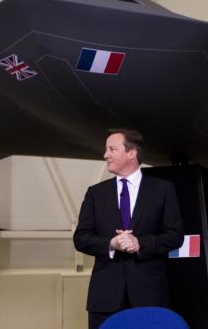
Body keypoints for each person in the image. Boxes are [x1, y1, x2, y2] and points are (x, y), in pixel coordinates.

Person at [73, 129, 184, 329]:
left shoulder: (163, 190)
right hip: (105, 299)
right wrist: (111, 243)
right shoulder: (95, 193)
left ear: (131, 153)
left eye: (112, 149)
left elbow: (175, 236)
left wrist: (139, 243)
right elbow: (81, 238)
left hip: (149, 297)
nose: (105, 155)